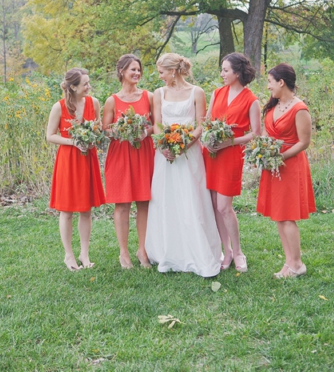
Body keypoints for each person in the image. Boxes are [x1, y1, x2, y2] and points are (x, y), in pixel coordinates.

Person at [145, 53, 220, 277]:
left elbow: (201, 124)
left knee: (191, 197)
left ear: (173, 71)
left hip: (190, 153)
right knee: (166, 199)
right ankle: (167, 251)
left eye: (161, 72)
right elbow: (157, 124)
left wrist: (185, 144)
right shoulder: (159, 94)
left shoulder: (197, 92)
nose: (160, 77)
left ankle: (197, 250)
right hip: (165, 154)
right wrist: (164, 146)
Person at [256, 63, 315, 279]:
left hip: (289, 166)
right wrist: (259, 152)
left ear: (281, 82)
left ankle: (298, 264)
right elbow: (265, 132)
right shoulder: (273, 106)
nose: (268, 87)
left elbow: (304, 142)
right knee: (279, 216)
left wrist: (280, 156)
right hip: (273, 166)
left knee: (288, 216)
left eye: (270, 82)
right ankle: (289, 262)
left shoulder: (300, 109)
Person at [202, 53, 261, 272]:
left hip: (230, 155)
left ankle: (238, 252)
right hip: (211, 154)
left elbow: (255, 133)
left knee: (224, 207)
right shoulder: (217, 93)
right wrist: (209, 139)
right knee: (215, 206)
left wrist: (229, 142)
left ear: (237, 73)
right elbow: (207, 121)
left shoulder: (251, 100)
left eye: (225, 70)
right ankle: (224, 251)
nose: (222, 74)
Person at [46, 67, 106, 271]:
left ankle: (84, 254)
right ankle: (69, 255)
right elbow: (50, 135)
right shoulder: (59, 107)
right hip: (68, 161)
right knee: (67, 211)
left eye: (89, 83)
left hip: (87, 159)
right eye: (85, 84)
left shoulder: (94, 103)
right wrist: (73, 142)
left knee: (86, 210)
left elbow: (98, 129)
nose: (89, 87)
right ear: (72, 87)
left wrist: (93, 138)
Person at [102, 54, 155, 269]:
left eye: (139, 70)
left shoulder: (149, 97)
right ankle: (123, 252)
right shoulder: (112, 100)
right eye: (133, 69)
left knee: (144, 202)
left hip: (143, 152)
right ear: (122, 71)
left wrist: (145, 132)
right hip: (120, 154)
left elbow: (155, 124)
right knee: (122, 203)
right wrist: (120, 130)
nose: (137, 73)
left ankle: (142, 249)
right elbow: (105, 129)